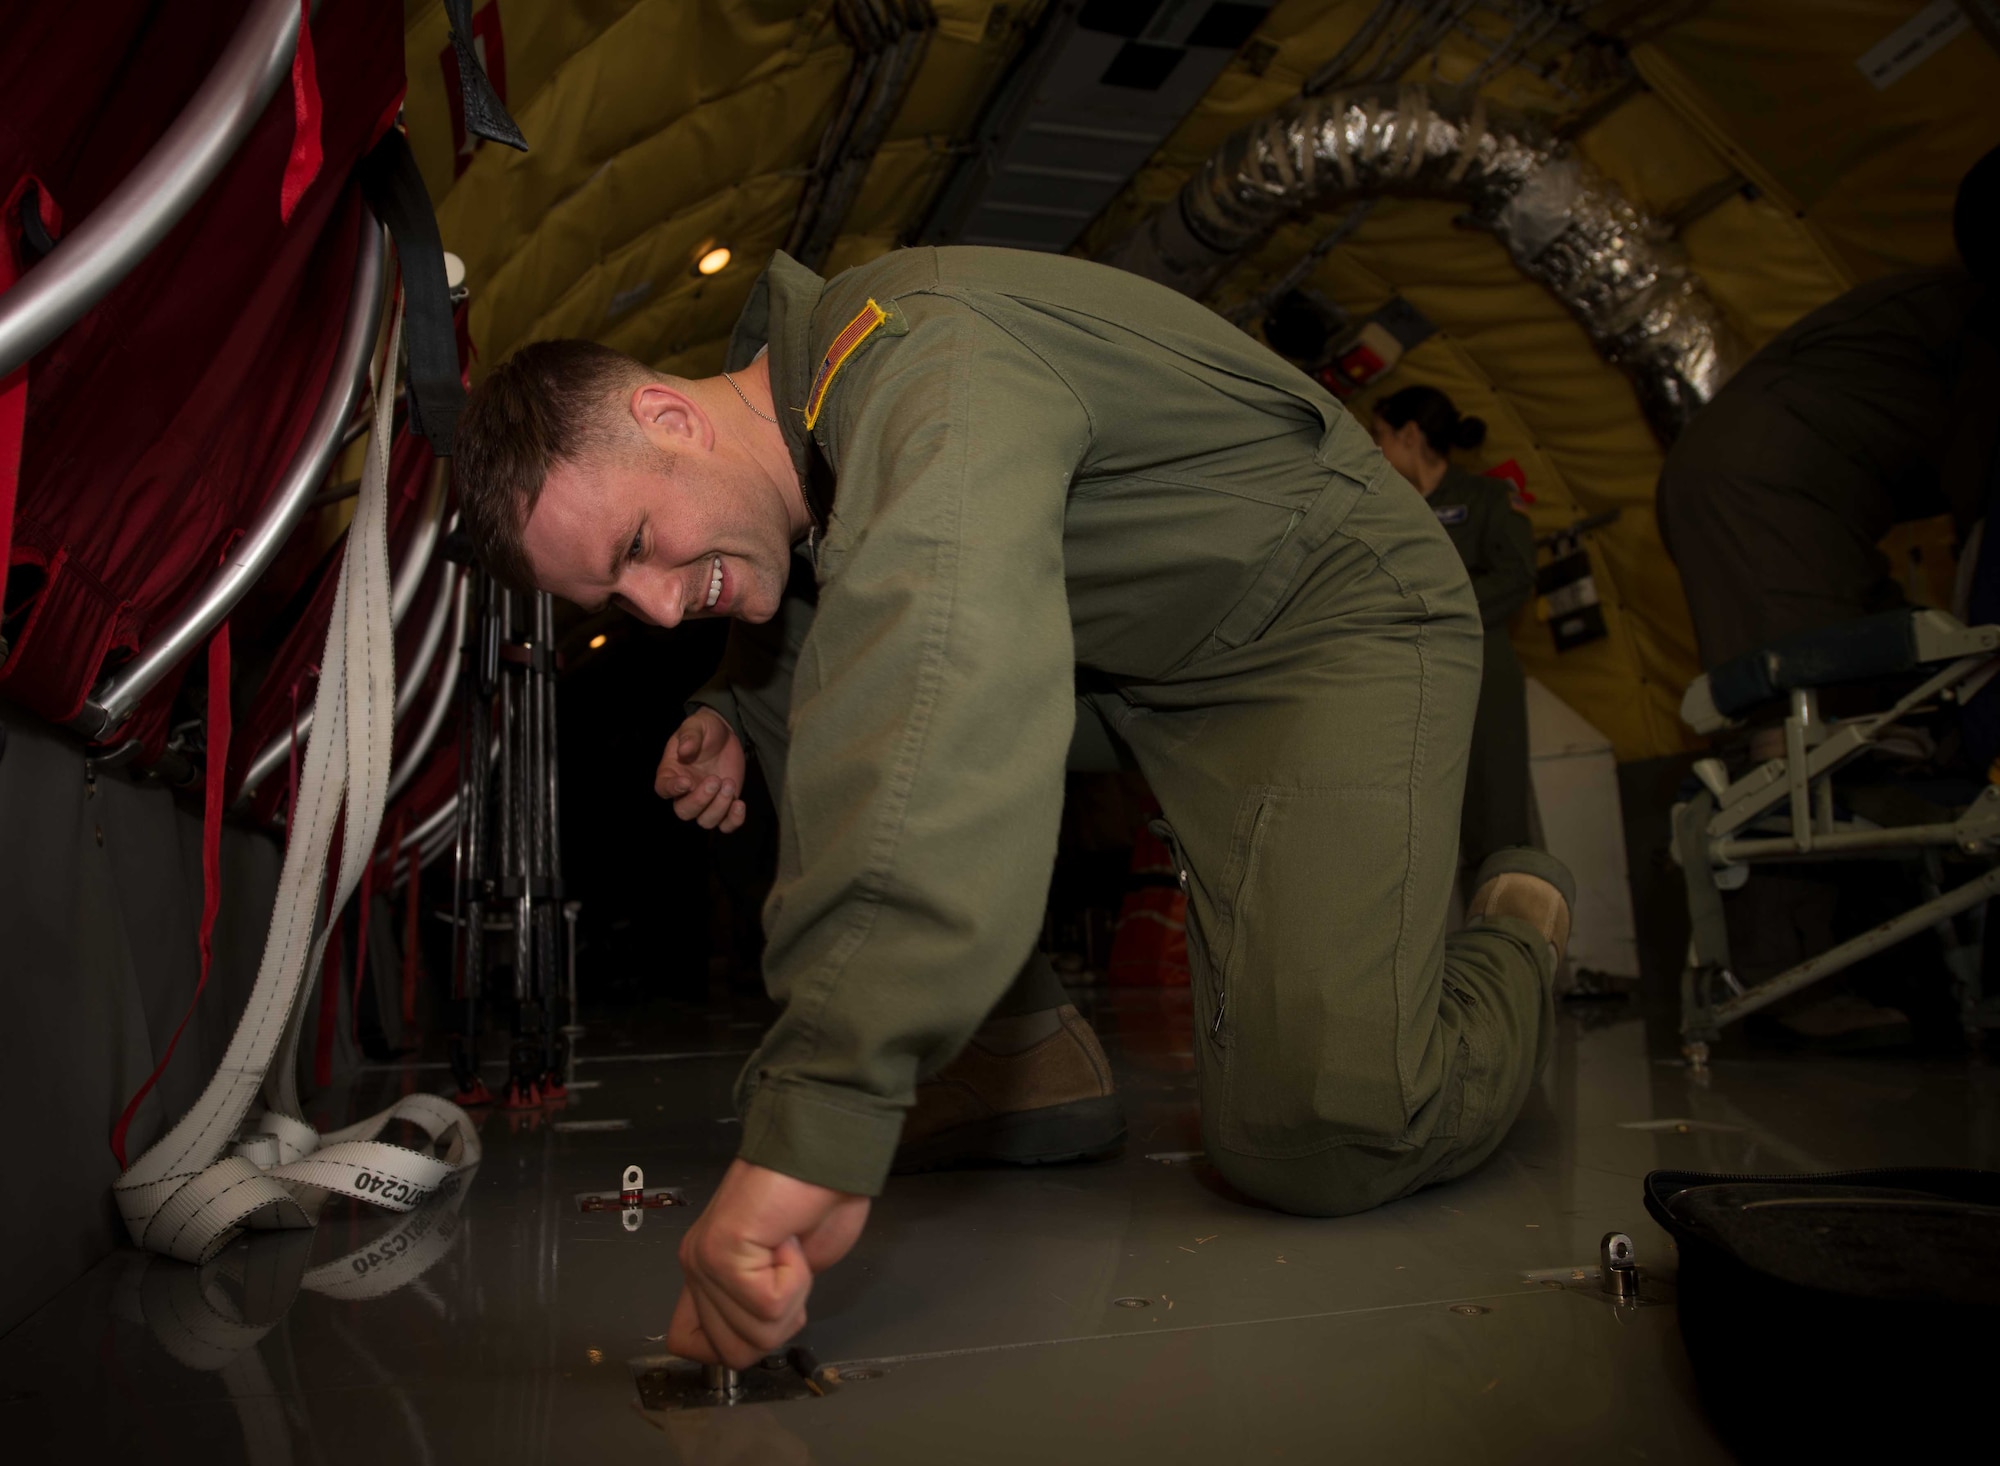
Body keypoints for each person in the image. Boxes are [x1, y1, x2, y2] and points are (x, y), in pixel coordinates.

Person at [455, 244, 1575, 1370]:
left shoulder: (919, 357)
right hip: (1126, 662)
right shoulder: (804, 434)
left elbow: (935, 662)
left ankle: (1519, 923)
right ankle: (1018, 1054)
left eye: (636, 547)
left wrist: (825, 1106)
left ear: (667, 415)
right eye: (612, 595)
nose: (652, 606)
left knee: (1324, 1136)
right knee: (822, 676)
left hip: (1318, 629)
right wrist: (738, 715)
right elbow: (835, 613)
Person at [1656, 145, 1999, 672]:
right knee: (1814, 678)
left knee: (1881, 670)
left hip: (1772, 484)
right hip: (1765, 486)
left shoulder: (1935, 308)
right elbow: (1981, 495)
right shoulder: (1975, 328)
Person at [1371, 386, 1537, 871]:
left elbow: (1516, 574)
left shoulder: (1486, 498)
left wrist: (1432, 608)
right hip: (1407, 681)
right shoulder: (1385, 510)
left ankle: (1510, 935)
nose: (1373, 447)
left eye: (1379, 434)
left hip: (1480, 675)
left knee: (1497, 823)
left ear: (1410, 434)